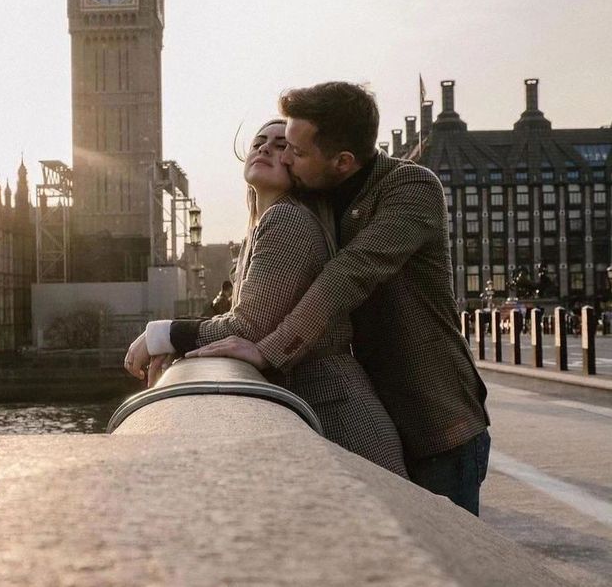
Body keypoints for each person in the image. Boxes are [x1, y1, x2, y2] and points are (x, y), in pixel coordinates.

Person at [185, 82, 491, 516]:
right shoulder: (320, 198)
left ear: (342, 162)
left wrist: (266, 350)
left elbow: (349, 275)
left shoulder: (411, 188)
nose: (284, 157)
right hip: (376, 408)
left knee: (445, 562)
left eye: (296, 151)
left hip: (436, 421)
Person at [125, 118, 407, 477]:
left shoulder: (288, 219)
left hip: (341, 419)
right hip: (323, 410)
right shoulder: (265, 225)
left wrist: (160, 335)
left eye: (281, 145)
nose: (265, 148)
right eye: (260, 141)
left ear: (299, 166)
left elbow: (248, 326)